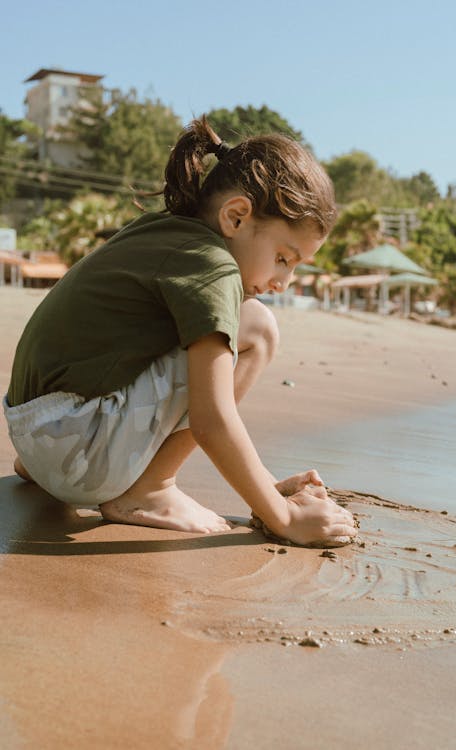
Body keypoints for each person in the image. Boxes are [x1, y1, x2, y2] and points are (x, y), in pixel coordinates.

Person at [3, 116, 357, 547]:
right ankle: (150, 488)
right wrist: (283, 517)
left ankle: (67, 469)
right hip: (75, 454)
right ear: (236, 216)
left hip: (37, 434)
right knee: (258, 328)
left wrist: (265, 483)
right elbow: (212, 420)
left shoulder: (163, 232)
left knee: (232, 325)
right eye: (284, 258)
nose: (284, 282)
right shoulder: (214, 267)